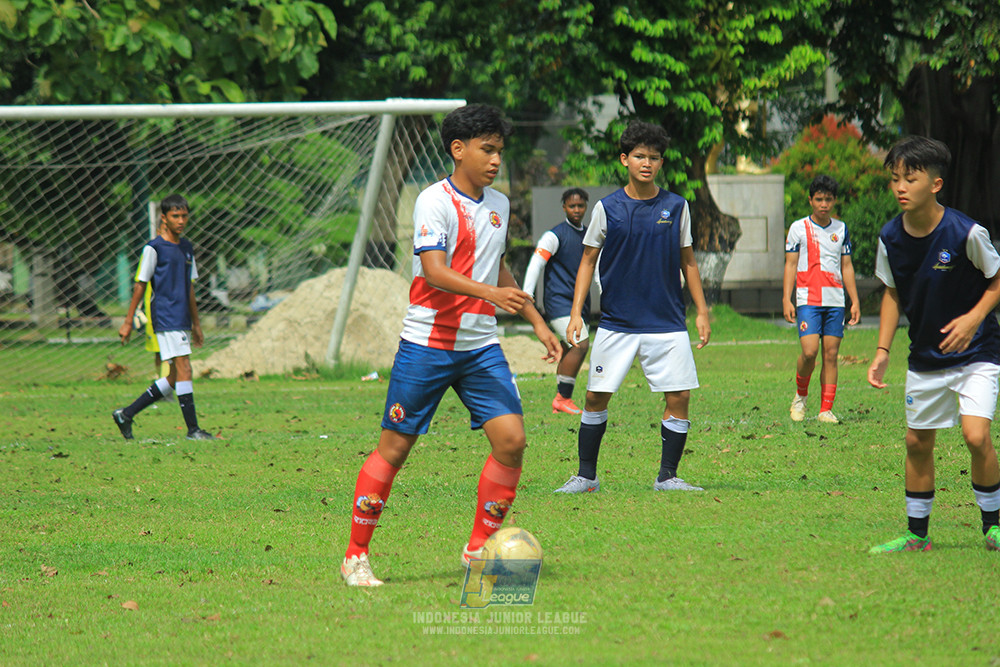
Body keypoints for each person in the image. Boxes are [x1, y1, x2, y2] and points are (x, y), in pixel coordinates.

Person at [340, 104, 562, 587]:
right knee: (394, 450)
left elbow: (493, 268)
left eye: (500, 150)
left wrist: (537, 321)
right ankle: (356, 555)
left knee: (512, 442)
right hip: (428, 344)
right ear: (457, 150)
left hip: (481, 346)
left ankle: (479, 549)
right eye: (487, 149)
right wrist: (493, 295)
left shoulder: (500, 205)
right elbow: (435, 271)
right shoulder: (432, 201)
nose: (495, 159)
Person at [554, 121, 711, 494]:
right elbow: (587, 261)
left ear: (661, 163)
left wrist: (702, 311)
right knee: (595, 396)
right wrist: (577, 312)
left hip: (668, 321)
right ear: (625, 159)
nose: (647, 163)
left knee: (680, 396)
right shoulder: (608, 208)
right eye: (639, 156)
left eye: (654, 157)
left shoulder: (677, 206)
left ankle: (668, 477)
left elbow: (688, 261)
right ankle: (586, 476)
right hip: (617, 322)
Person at [867, 135, 1000, 553]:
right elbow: (891, 292)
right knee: (916, 442)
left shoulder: (966, 232)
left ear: (935, 185)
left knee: (976, 436)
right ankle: (917, 535)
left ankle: (993, 526)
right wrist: (882, 351)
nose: (900, 187)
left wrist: (974, 318)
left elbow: (996, 280)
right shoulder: (890, 237)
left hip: (977, 353)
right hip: (924, 356)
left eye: (910, 178)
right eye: (894, 179)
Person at [113, 194, 215, 441]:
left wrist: (197, 323)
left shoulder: (187, 249)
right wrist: (128, 321)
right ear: (164, 217)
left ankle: (126, 414)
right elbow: (140, 284)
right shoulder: (154, 248)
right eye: (175, 216)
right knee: (185, 368)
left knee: (173, 377)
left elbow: (189, 288)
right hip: (165, 315)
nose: (181, 221)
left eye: (184, 216)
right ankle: (193, 430)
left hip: (181, 317)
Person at [783, 175, 861, 423]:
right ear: (810, 200)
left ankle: (826, 409)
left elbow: (846, 266)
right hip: (808, 299)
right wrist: (787, 298)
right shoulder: (798, 228)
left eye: (828, 199)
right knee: (809, 352)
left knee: (830, 354)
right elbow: (790, 264)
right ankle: (800, 397)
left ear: (834, 201)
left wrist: (854, 300)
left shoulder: (841, 228)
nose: (824, 204)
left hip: (835, 300)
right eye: (819, 199)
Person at [522, 187, 592, 415]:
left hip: (580, 304)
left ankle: (561, 404)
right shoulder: (554, 235)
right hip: (558, 302)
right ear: (564, 207)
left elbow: (596, 269)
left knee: (568, 347)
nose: (576, 210)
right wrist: (527, 294)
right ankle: (562, 398)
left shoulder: (589, 235)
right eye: (572, 206)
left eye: (580, 205)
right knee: (579, 344)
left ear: (586, 207)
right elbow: (536, 263)